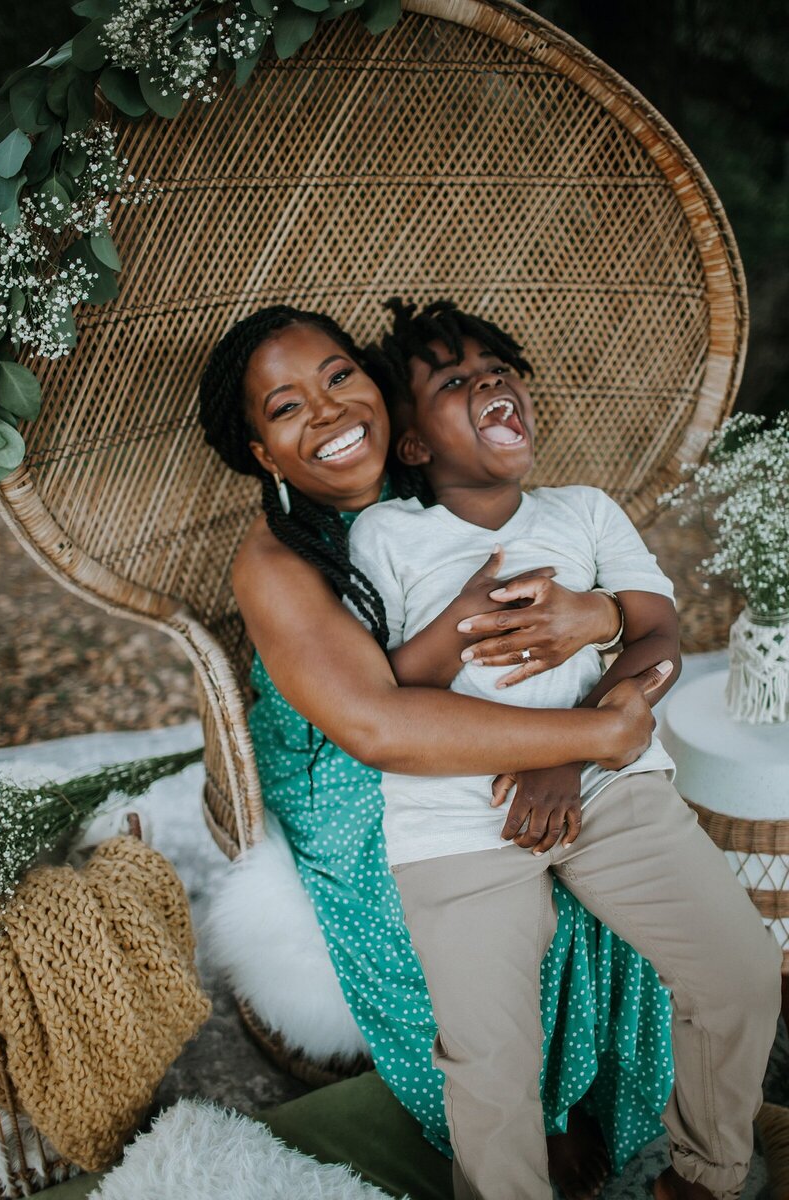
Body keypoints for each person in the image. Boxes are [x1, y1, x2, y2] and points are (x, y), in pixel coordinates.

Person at [198, 305, 675, 1198]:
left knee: (606, 838)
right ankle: (524, 1115)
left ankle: (591, 1094)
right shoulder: (277, 559)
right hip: (347, 765)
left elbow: (584, 603)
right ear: (263, 454)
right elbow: (378, 728)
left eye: (339, 376)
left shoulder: (441, 480)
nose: (331, 411)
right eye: (286, 407)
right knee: (447, 879)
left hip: (485, 719)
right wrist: (594, 735)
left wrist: (593, 651)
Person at [346, 297, 782, 1200]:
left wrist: (566, 757)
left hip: (609, 787)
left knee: (740, 974)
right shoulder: (388, 535)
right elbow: (383, 698)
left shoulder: (582, 513)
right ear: (416, 445)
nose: (490, 382)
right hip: (453, 819)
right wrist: (464, 616)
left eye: (498, 368)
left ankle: (701, 1176)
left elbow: (657, 639)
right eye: (454, 381)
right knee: (490, 1062)